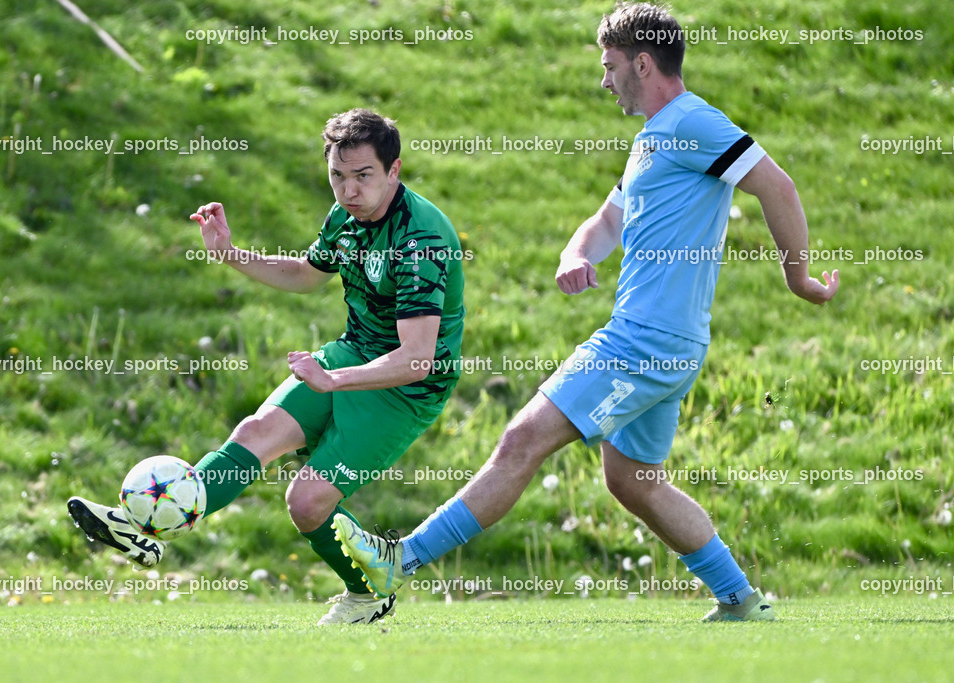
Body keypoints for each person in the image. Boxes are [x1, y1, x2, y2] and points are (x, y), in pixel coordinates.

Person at [334, 2, 839, 622]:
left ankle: (399, 561)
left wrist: (800, 280)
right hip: (667, 342)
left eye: (610, 66)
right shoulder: (655, 137)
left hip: (645, 341)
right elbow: (608, 221)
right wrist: (577, 253)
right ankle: (739, 599)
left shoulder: (696, 123)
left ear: (643, 63)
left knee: (521, 438)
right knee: (632, 480)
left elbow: (777, 186)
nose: (603, 79)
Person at [67, 108, 466, 625]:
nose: (348, 191)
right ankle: (141, 528)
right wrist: (231, 254)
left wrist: (334, 379)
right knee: (255, 432)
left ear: (394, 170)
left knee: (305, 503)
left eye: (363, 176)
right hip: (352, 353)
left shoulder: (421, 240)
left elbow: (417, 358)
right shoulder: (345, 217)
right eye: (337, 177)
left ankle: (369, 590)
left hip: (406, 389)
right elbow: (305, 273)